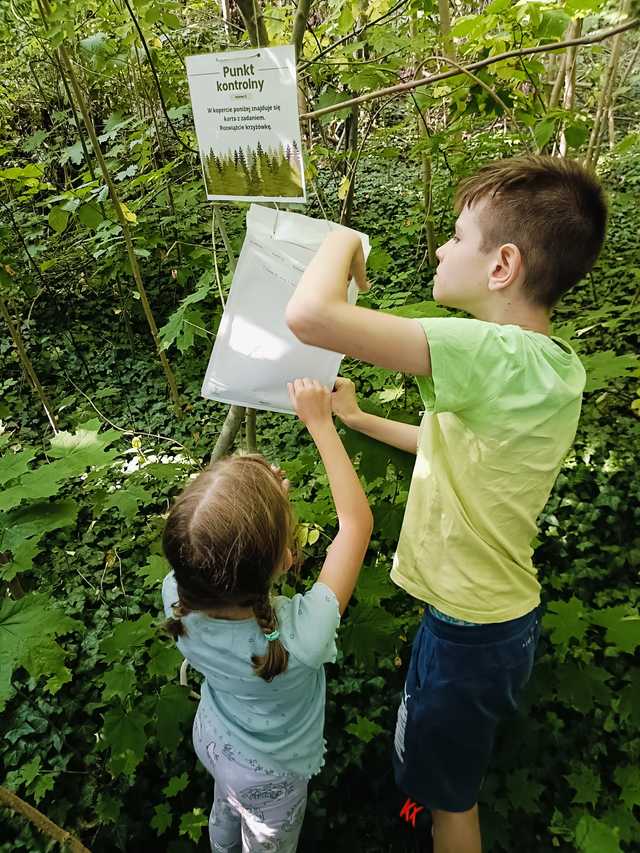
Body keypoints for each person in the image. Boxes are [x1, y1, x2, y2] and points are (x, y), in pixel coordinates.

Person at [285, 156, 607, 853]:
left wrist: (342, 240)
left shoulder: (489, 352)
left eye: (457, 237)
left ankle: (433, 819)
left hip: (469, 633)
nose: (440, 249)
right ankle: (421, 803)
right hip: (491, 621)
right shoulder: (547, 365)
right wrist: (363, 419)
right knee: (441, 761)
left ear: (503, 266)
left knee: (452, 802)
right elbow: (454, 439)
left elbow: (310, 316)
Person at [161, 378, 372, 853]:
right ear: (284, 561)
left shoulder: (176, 593)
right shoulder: (304, 636)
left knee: (226, 806)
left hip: (215, 739)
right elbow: (357, 525)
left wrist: (255, 501)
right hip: (268, 775)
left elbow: (208, 532)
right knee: (266, 840)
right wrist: (321, 424)